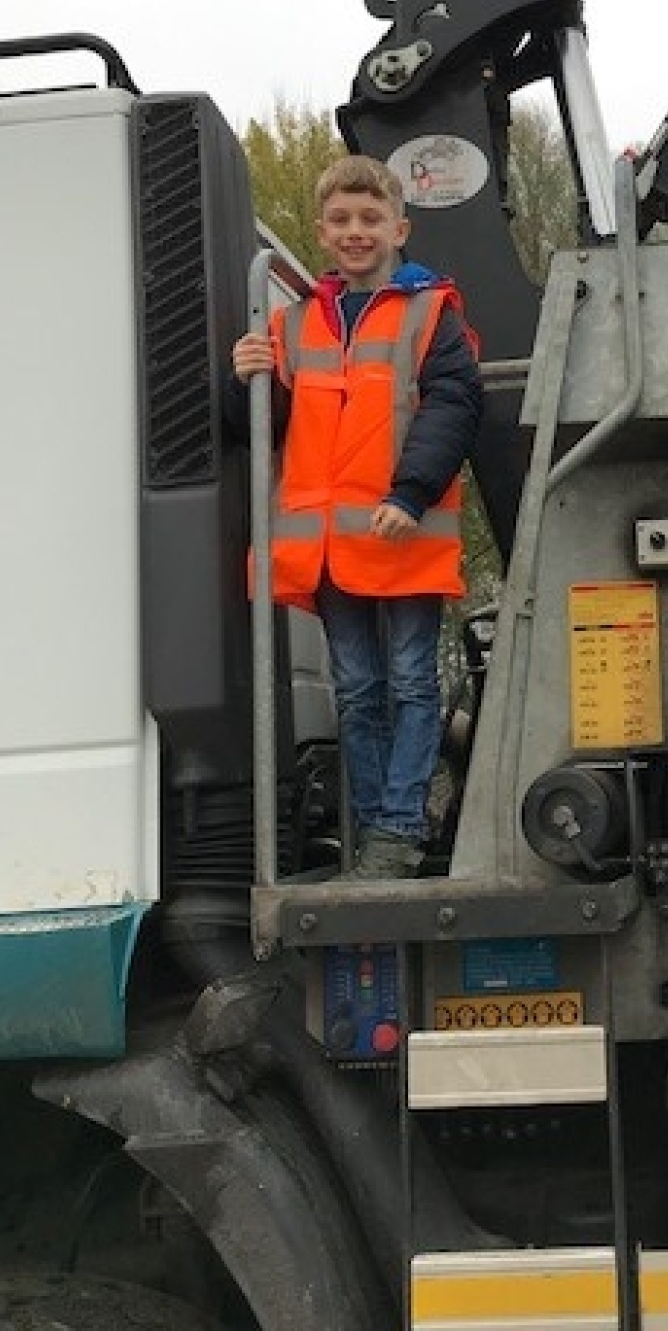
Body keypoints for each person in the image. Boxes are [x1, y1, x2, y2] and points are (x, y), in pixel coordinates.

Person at [227, 156, 482, 880]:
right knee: (360, 690)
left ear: (399, 227)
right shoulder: (294, 324)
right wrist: (243, 377)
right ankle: (375, 831)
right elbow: (262, 424)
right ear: (321, 231)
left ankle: (398, 830)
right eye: (340, 219)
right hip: (332, 546)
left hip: (401, 532)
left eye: (370, 218)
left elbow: (454, 406)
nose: (355, 230)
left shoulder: (432, 311)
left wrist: (410, 494)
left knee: (409, 683)